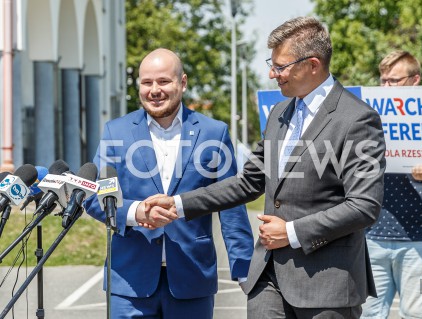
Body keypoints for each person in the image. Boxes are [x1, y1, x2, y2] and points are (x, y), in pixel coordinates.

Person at [142, 17, 386, 319]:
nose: (272, 74)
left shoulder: (358, 119)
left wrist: (293, 232)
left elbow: (364, 206)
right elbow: (248, 183)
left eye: (280, 66)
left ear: (312, 64)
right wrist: (177, 204)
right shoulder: (280, 113)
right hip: (268, 277)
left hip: (327, 284)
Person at [84, 48, 254, 319]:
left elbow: (231, 202)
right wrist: (136, 212)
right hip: (129, 283)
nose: (154, 90)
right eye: (146, 82)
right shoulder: (115, 132)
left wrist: (244, 268)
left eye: (163, 81)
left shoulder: (213, 132)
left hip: (192, 278)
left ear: (182, 83)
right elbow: (95, 197)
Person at [361, 50, 422, 319]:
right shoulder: (369, 119)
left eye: (393, 80)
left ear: (415, 80)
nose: (386, 86)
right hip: (373, 236)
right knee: (368, 315)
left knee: (417, 315)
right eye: (382, 80)